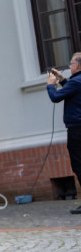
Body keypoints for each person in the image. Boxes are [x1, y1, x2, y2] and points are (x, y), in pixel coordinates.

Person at [47, 52, 81, 214]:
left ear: (78, 65)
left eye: (71, 64)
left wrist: (50, 84)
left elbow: (56, 97)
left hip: (76, 129)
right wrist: (62, 79)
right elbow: (72, 90)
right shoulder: (76, 82)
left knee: (78, 164)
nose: (70, 66)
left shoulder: (75, 82)